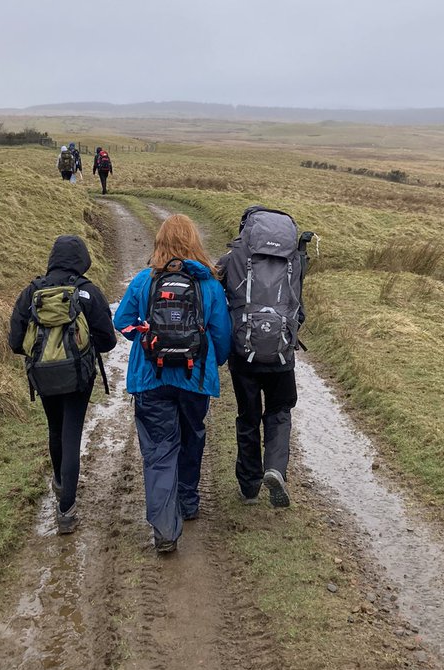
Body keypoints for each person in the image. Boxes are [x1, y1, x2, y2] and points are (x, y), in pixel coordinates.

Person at [114, 214, 231, 553]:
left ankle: (165, 529)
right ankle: (188, 502)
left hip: (152, 378)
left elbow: (122, 321)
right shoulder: (209, 284)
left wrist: (145, 339)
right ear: (194, 242)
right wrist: (212, 362)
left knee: (159, 449)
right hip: (194, 378)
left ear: (160, 243)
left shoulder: (143, 281)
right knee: (192, 436)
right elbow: (221, 334)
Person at [9, 235, 117, 533]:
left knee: (55, 428)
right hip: (79, 377)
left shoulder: (32, 292)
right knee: (71, 433)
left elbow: (15, 342)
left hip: (43, 375)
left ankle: (58, 481)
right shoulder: (87, 292)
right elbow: (108, 341)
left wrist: (44, 356)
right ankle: (66, 509)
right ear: (82, 260)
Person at [217, 205, 309, 509]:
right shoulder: (295, 261)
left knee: (248, 417)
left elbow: (219, 296)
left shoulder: (233, 259)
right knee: (280, 411)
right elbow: (299, 308)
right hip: (282, 353)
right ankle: (275, 468)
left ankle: (249, 486)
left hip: (243, 353)